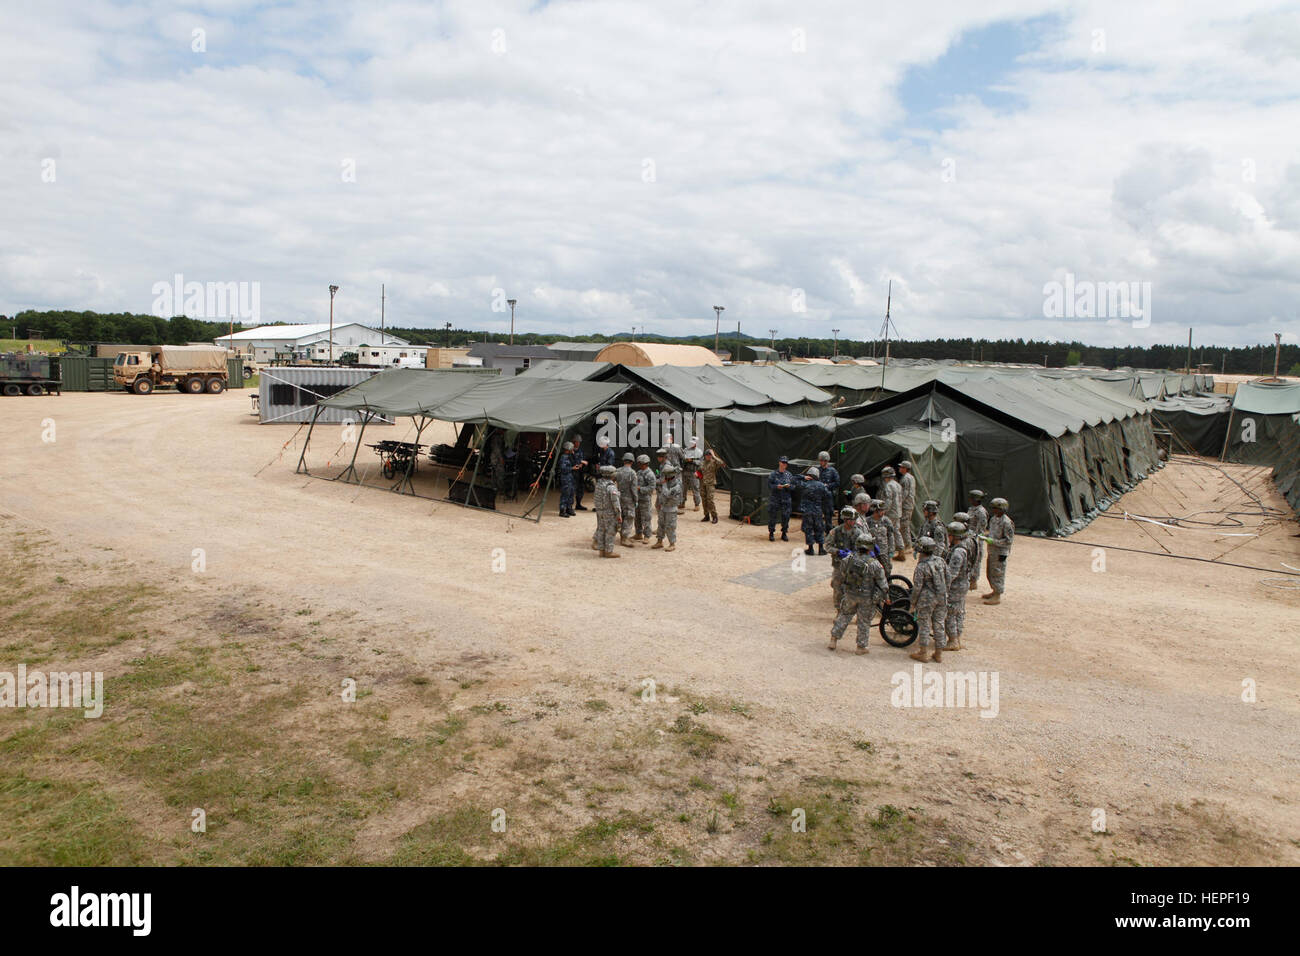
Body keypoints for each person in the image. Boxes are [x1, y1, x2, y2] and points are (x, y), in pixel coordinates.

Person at [829, 533, 888, 655]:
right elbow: (883, 583)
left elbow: (843, 572)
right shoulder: (875, 564)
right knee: (864, 621)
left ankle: (834, 639)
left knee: (844, 616)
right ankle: (861, 647)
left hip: (850, 594)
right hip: (867, 597)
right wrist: (886, 597)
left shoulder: (849, 559)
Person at [909, 536, 948, 663]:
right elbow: (948, 577)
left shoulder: (921, 567)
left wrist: (912, 603)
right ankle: (938, 654)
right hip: (941, 596)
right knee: (939, 623)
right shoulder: (941, 561)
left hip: (926, 599)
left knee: (924, 624)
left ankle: (923, 653)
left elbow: (917, 588)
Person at [944, 521, 971, 651]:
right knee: (958, 611)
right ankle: (957, 637)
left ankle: (953, 640)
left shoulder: (957, 553)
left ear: (954, 536)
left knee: (949, 613)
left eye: (949, 535)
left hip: (956, 587)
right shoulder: (962, 548)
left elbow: (951, 574)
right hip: (962, 585)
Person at [982, 497, 1014, 604]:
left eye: (996, 508)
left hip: (1000, 552)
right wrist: (985, 536)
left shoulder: (1007, 522)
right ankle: (994, 590)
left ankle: (997, 595)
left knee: (998, 573)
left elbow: (1008, 541)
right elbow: (993, 533)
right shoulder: (993, 519)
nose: (994, 510)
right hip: (992, 551)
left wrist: (993, 541)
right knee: (990, 572)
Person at [827, 506, 860, 608]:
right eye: (851, 520)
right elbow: (827, 546)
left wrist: (854, 553)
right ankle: (839, 610)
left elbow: (863, 549)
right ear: (845, 520)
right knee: (837, 588)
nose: (853, 522)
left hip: (853, 566)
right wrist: (837, 552)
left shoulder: (858, 533)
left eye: (854, 520)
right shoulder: (836, 532)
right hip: (839, 565)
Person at [592, 465, 622, 557]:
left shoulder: (599, 484)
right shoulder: (611, 487)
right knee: (610, 531)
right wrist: (619, 515)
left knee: (601, 530)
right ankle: (609, 551)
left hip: (600, 511)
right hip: (609, 512)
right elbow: (615, 503)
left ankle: (601, 551)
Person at [865, 498, 899, 578]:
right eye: (880, 510)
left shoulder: (886, 521)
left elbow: (890, 536)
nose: (882, 512)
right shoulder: (867, 521)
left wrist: (891, 549)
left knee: (887, 570)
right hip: (872, 552)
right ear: (874, 510)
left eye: (883, 510)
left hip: (884, 551)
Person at [799, 466, 828, 556]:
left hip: (807, 511)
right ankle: (821, 549)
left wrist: (802, 477)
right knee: (819, 528)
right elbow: (827, 495)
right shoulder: (821, 485)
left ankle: (810, 549)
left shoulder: (805, 484)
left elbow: (794, 481)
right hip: (817, 510)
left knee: (809, 529)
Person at [652, 463, 682, 551]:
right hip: (663, 507)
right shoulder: (667, 482)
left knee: (670, 526)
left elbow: (668, 494)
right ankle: (659, 541)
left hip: (671, 509)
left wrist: (663, 485)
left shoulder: (677, 485)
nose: (664, 477)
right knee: (660, 525)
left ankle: (672, 543)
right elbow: (657, 487)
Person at [966, 490, 989, 592]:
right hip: (969, 537)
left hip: (976, 540)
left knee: (975, 560)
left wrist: (973, 537)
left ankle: (973, 581)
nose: (970, 500)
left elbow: (980, 530)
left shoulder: (981, 512)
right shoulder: (971, 509)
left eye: (971, 498)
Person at [767, 456, 794, 542]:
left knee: (786, 516)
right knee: (773, 516)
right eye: (783, 462)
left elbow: (794, 486)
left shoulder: (789, 475)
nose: (784, 464)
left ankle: (784, 533)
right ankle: (771, 533)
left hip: (786, 499)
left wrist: (789, 487)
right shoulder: (773, 474)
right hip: (775, 499)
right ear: (779, 463)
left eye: (785, 463)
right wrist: (776, 487)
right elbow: (769, 485)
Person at [881, 466, 904, 562]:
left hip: (891, 512)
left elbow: (888, 500)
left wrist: (884, 510)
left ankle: (890, 552)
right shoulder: (897, 485)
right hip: (898, 511)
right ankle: (901, 551)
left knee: (888, 532)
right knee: (896, 531)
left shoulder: (889, 486)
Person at [615, 453, 638, 547]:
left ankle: (622, 536)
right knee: (629, 517)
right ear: (632, 462)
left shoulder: (617, 471)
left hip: (619, 497)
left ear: (624, 460)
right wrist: (636, 499)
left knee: (621, 516)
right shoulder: (632, 473)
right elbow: (634, 488)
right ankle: (624, 538)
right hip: (629, 499)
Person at [699, 447, 726, 523]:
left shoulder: (714, 462)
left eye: (709, 455)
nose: (708, 456)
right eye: (707, 455)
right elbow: (699, 471)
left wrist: (714, 456)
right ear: (704, 455)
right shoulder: (702, 463)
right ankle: (706, 516)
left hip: (710, 484)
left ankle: (714, 516)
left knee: (710, 500)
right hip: (702, 484)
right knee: (704, 501)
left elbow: (722, 463)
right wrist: (697, 474)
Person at [634, 454, 655, 542]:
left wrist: (640, 488)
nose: (639, 465)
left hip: (645, 500)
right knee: (637, 517)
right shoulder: (639, 472)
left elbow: (651, 488)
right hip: (637, 499)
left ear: (645, 463)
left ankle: (647, 536)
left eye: (640, 463)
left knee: (646, 518)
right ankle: (638, 534)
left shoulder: (650, 474)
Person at [817, 451, 840, 526]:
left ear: (827, 461)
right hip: (818, 496)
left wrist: (827, 485)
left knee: (828, 516)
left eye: (824, 460)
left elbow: (837, 483)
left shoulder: (832, 471)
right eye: (820, 460)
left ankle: (828, 532)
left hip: (828, 497)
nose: (822, 462)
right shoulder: (817, 470)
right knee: (817, 516)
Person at [557, 441, 577, 517]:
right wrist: (572, 468)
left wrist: (574, 455)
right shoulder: (563, 457)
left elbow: (574, 462)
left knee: (571, 493)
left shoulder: (569, 456)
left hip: (570, 477)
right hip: (565, 478)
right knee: (565, 494)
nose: (573, 450)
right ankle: (562, 510)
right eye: (571, 449)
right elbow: (563, 468)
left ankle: (569, 508)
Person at [683, 437, 703, 511]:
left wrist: (692, 460)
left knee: (695, 489)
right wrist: (686, 459)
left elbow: (701, 463)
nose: (691, 444)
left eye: (693, 443)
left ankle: (697, 504)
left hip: (694, 472)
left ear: (696, 443)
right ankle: (682, 503)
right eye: (691, 442)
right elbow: (682, 458)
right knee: (683, 489)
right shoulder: (685, 450)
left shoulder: (699, 452)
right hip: (685, 471)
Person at [571, 435, 589, 511]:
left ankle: (578, 504)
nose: (578, 443)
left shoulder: (580, 450)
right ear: (573, 442)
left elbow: (583, 458)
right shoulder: (570, 450)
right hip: (573, 472)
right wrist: (580, 461)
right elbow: (572, 460)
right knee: (572, 489)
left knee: (580, 488)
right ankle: (569, 506)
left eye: (579, 442)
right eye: (577, 442)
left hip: (580, 472)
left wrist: (582, 463)